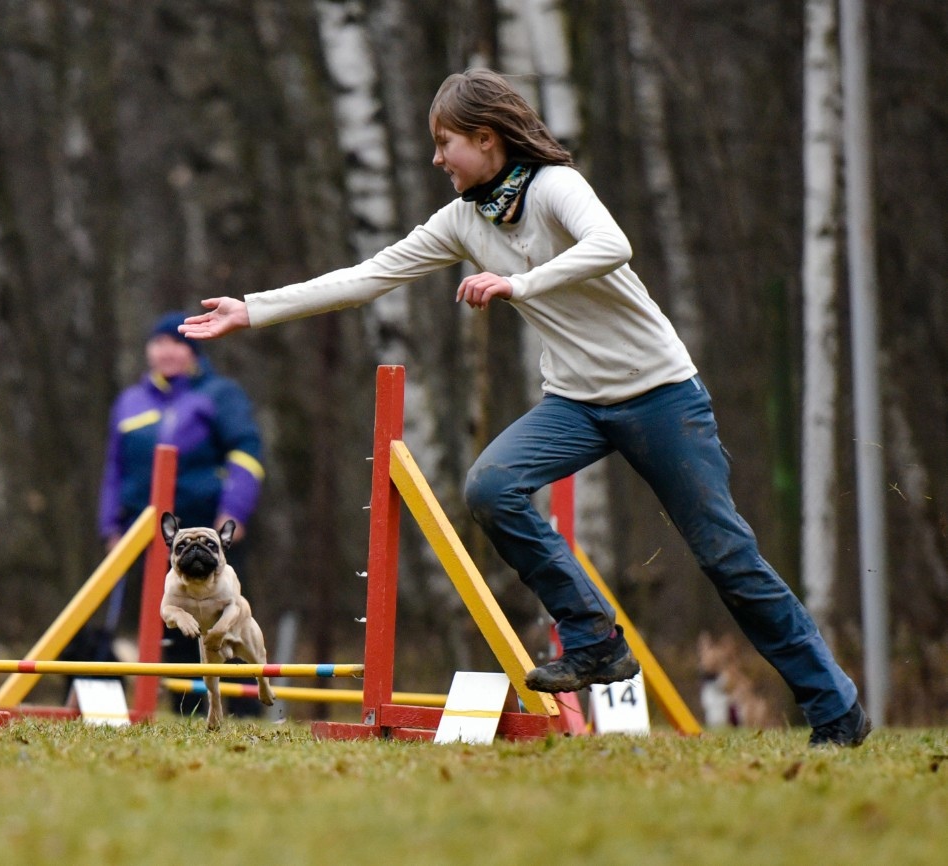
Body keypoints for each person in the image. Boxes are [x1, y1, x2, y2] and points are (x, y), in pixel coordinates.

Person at [178, 69, 869, 747]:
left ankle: (834, 709)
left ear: (486, 138)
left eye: (445, 141)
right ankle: (594, 639)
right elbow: (369, 277)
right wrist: (255, 310)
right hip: (574, 401)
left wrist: (520, 283)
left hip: (661, 394)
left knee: (727, 557)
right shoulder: (461, 220)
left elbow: (613, 245)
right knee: (490, 487)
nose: (436, 157)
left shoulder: (556, 187)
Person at [89, 311, 267, 716]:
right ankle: (180, 704)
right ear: (149, 350)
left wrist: (234, 510)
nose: (167, 351)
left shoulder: (220, 395)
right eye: (159, 343)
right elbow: (113, 469)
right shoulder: (130, 401)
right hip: (143, 530)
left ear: (193, 352)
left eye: (177, 344)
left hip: (206, 530)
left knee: (223, 616)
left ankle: (241, 709)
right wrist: (110, 524)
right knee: (164, 620)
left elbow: (247, 454)